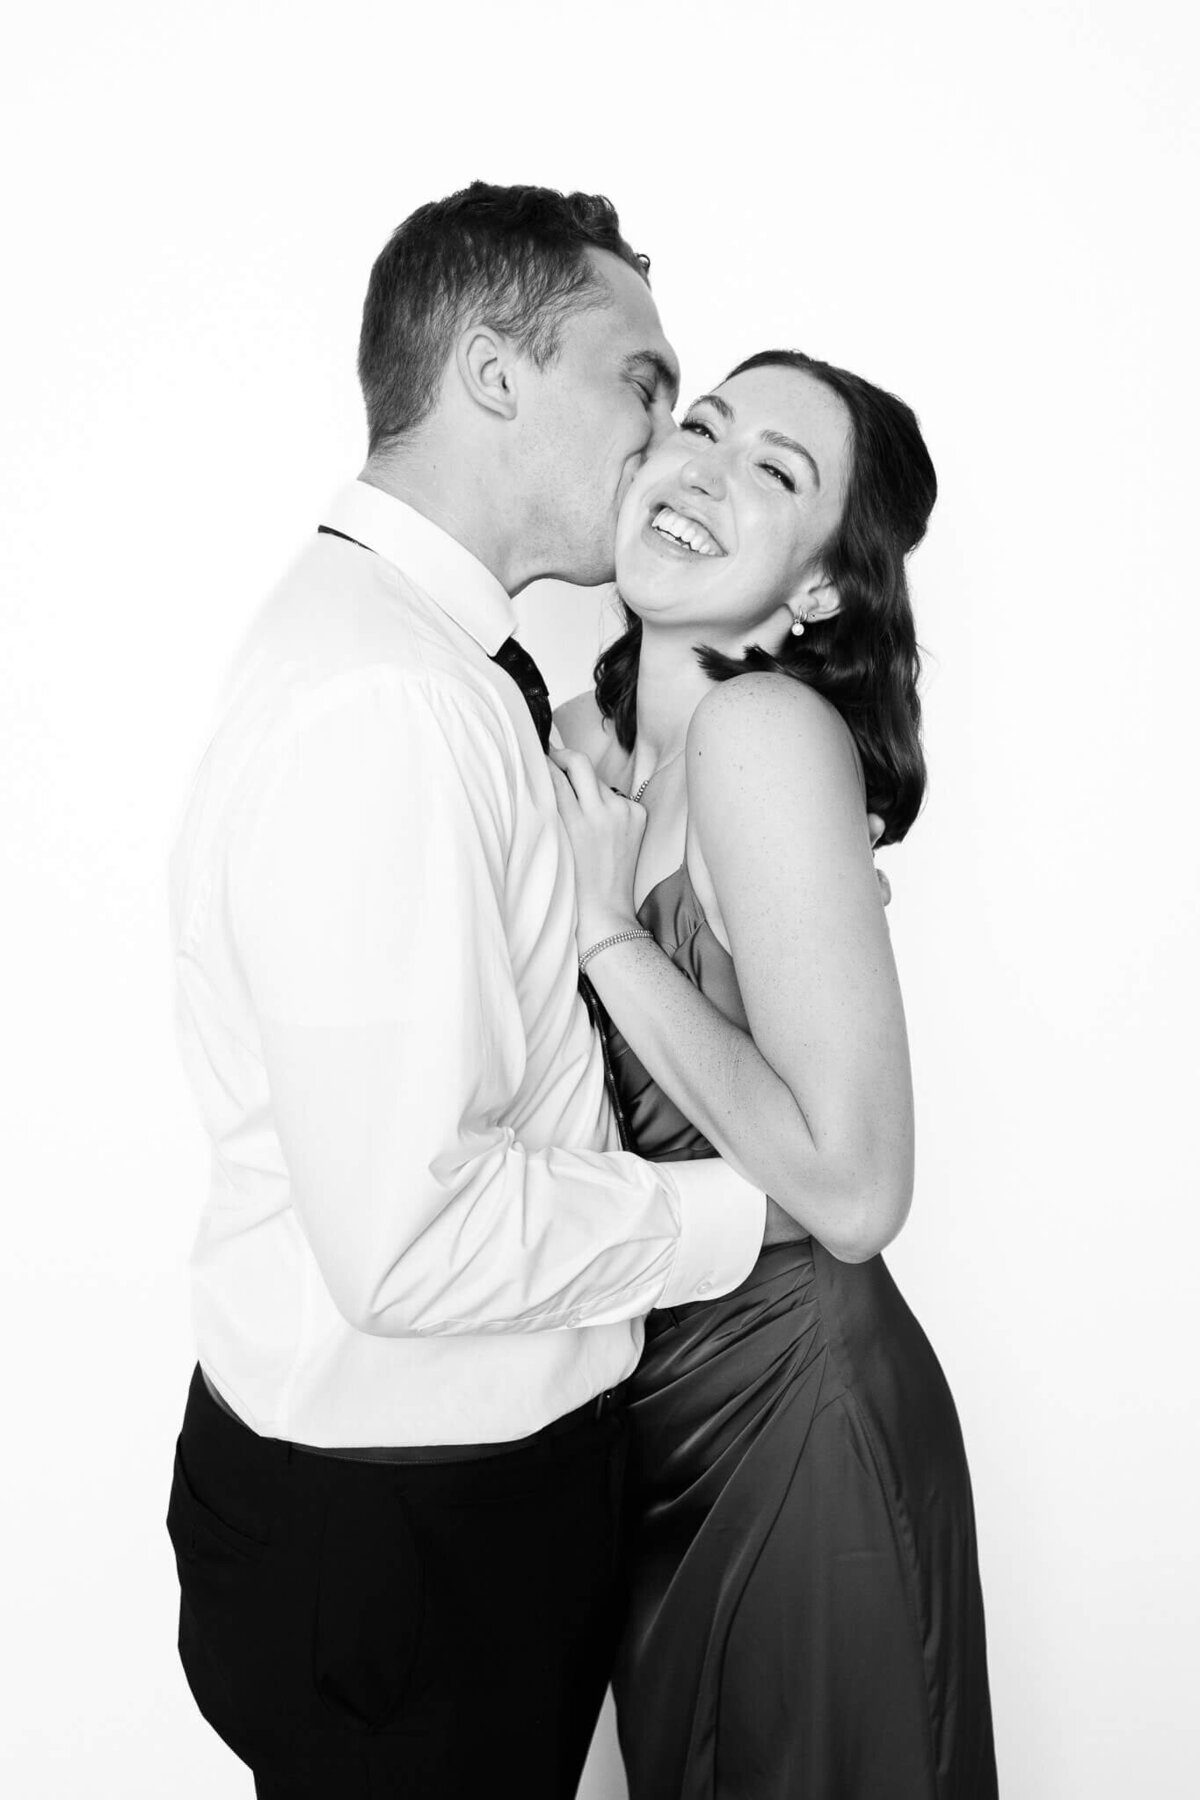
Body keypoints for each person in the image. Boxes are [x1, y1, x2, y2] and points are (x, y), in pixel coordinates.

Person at [166, 184, 800, 1799]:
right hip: (406, 1538)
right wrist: (745, 1215)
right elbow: (413, 1236)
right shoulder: (390, 703)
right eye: (641, 383)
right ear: (494, 376)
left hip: (403, 1512)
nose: (663, 437)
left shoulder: (425, 663)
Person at [551, 350, 998, 1797]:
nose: (705, 468)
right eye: (704, 426)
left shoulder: (763, 734)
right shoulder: (588, 750)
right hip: (649, 1417)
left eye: (775, 472)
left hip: (798, 1417)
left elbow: (859, 1192)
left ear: (815, 590)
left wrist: (609, 934)